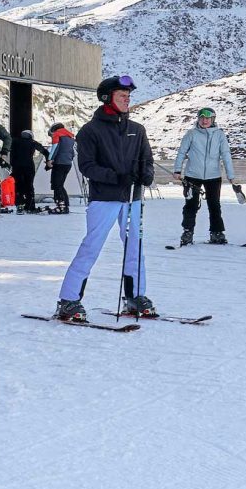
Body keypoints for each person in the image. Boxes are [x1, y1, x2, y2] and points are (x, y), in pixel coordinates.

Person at [53, 75, 157, 324]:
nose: (127, 100)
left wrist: (146, 175)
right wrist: (117, 177)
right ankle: (68, 300)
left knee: (135, 248)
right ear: (107, 98)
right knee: (92, 246)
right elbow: (87, 166)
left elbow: (148, 160)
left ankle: (135, 296)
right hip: (105, 198)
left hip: (133, 198)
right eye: (122, 96)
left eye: (128, 96)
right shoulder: (90, 131)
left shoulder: (137, 130)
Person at [173, 106, 238, 246]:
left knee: (214, 204)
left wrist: (230, 174)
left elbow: (226, 154)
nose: (204, 120)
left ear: (213, 119)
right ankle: (187, 232)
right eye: (201, 118)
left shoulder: (220, 135)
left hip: (213, 176)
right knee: (191, 205)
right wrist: (177, 170)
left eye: (207, 118)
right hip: (192, 175)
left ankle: (217, 233)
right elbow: (181, 152)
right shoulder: (191, 134)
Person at [9, 123, 50, 213]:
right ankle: (30, 206)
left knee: (18, 185)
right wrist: (48, 162)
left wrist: (10, 164)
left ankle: (19, 205)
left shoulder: (14, 141)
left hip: (17, 167)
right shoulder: (32, 142)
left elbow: (9, 152)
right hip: (29, 166)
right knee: (29, 185)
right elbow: (45, 152)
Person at [47, 123, 77, 214]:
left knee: (56, 184)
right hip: (67, 164)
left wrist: (49, 159)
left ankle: (61, 206)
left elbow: (55, 148)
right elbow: (72, 153)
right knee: (60, 184)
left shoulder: (57, 134)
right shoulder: (70, 137)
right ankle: (65, 205)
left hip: (59, 163)